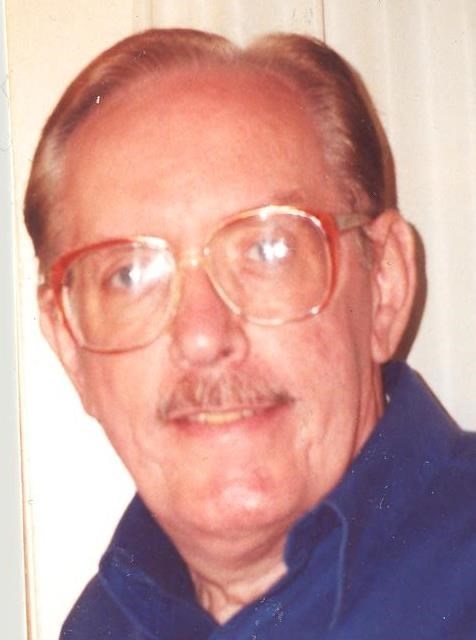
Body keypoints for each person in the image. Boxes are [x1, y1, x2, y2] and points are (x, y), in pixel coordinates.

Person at [24, 28, 476, 640]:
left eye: (268, 248)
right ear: (70, 346)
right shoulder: (100, 626)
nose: (202, 336)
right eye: (129, 274)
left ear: (384, 285)